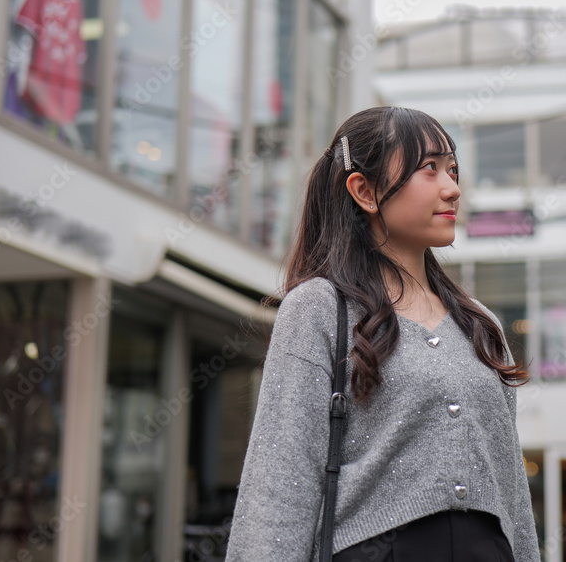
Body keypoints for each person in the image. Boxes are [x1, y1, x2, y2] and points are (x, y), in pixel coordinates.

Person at [225, 107, 541, 562]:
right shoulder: (319, 309)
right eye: (428, 169)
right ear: (365, 191)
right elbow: (278, 485)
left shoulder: (480, 325)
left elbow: (512, 492)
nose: (452, 188)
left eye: (453, 170)